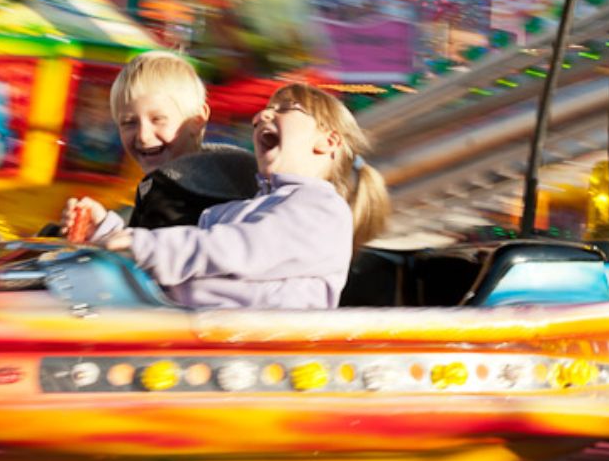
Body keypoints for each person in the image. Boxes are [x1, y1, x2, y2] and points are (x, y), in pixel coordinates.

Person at [99, 84, 390, 310]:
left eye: (287, 108)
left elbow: (235, 248)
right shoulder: (246, 207)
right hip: (201, 328)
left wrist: (142, 245)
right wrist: (107, 234)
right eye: (266, 109)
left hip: (265, 352)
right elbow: (185, 257)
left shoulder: (322, 210)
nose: (260, 116)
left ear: (328, 141)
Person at [59, 51, 258, 239]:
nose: (143, 136)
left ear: (196, 120)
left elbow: (165, 257)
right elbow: (146, 245)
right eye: (129, 123)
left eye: (158, 119)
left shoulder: (210, 191)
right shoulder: (161, 184)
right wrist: (102, 226)